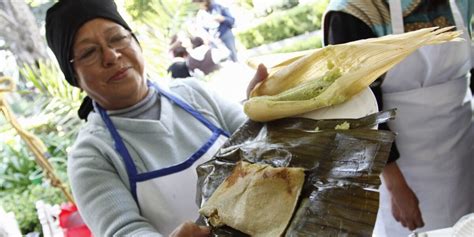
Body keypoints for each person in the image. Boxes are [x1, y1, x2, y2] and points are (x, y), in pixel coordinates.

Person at [45, 0, 267, 236]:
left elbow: (261, 144)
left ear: (135, 42)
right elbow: (123, 230)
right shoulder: (91, 155)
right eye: (89, 52)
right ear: (75, 78)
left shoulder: (195, 93)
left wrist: (264, 108)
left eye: (117, 38)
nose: (110, 55)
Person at [323, 0, 474, 236]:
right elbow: (359, 111)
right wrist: (396, 186)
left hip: (464, 150)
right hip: (401, 170)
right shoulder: (353, 12)